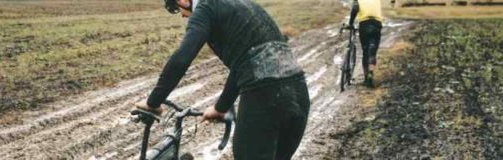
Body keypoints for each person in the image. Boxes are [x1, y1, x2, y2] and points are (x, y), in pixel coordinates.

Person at [133, 0, 311, 159]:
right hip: (299, 94)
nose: (182, 16)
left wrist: (153, 102)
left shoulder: (206, 6)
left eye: (178, 9)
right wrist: (220, 108)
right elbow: (243, 63)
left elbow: (182, 58)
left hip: (266, 97)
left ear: (183, 1)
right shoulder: (245, 5)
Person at [349, 0, 384, 87]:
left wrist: (350, 23)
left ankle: (365, 78)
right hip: (376, 24)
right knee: (372, 52)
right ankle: (370, 74)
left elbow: (355, 8)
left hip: (364, 25)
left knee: (365, 52)